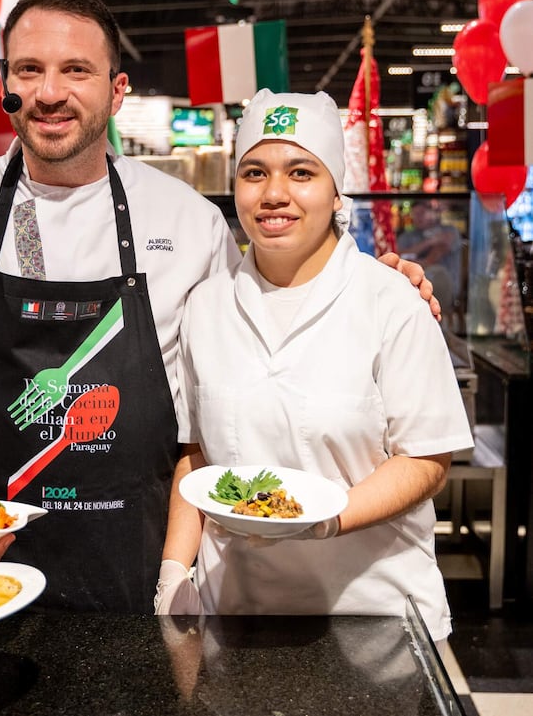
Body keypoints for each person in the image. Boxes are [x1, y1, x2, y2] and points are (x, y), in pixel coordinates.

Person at [0, 0, 439, 614]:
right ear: (4, 81)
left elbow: (255, 324)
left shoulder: (187, 221)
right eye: (29, 70)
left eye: (76, 71)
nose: (48, 93)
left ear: (117, 90)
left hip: (145, 554)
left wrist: (375, 285)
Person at [154, 90, 473, 647]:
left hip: (374, 614)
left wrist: (328, 518)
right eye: (254, 172)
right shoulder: (205, 306)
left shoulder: (390, 300)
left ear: (335, 191)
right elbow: (196, 453)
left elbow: (426, 457)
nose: (274, 193)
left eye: (301, 172)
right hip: (236, 608)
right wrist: (174, 572)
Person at [398, 199, 463, 319]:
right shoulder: (407, 236)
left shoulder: (448, 231)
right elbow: (398, 256)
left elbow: (432, 258)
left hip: (445, 288)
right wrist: (429, 242)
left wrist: (413, 260)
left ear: (433, 213)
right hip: (414, 287)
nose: (418, 218)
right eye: (415, 214)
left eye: (422, 213)